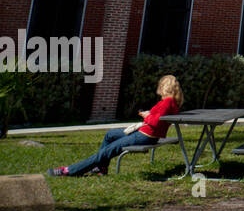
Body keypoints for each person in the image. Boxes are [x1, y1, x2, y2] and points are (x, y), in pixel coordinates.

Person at [47, 75, 184, 177]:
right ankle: (102, 168)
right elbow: (159, 119)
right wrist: (150, 114)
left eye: (160, 85)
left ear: (164, 87)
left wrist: (146, 116)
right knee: (110, 134)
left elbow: (155, 122)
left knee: (105, 152)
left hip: (145, 136)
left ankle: (70, 171)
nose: (158, 88)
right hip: (145, 133)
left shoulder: (166, 102)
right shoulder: (172, 103)